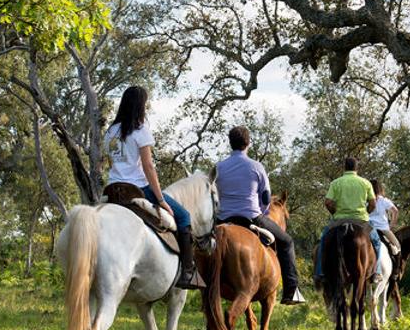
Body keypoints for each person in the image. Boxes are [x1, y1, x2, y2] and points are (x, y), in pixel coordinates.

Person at [103, 85, 204, 290]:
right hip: (137, 187)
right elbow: (148, 166)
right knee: (183, 216)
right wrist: (160, 200)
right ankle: (187, 272)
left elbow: (110, 162)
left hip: (113, 188)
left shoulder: (110, 132)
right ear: (141, 105)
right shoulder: (140, 130)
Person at [215, 126, 306, 305]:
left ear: (230, 143)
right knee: (287, 242)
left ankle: (193, 276)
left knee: (199, 242)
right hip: (251, 218)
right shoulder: (256, 167)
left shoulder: (219, 167)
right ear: (248, 143)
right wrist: (263, 212)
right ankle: (291, 291)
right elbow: (265, 197)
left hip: (223, 219)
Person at [315, 156, 375, 284]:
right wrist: (366, 213)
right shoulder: (365, 183)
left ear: (344, 167)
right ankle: (376, 272)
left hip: (339, 221)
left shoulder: (336, 183)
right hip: (361, 221)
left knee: (323, 240)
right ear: (356, 168)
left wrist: (335, 212)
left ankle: (320, 272)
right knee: (377, 241)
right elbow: (372, 203)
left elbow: (328, 202)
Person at [368, 179, 402, 258]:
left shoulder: (365, 199)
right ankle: (396, 269)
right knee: (398, 247)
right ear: (379, 188)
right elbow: (395, 211)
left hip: (368, 227)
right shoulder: (384, 200)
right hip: (383, 228)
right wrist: (391, 225)